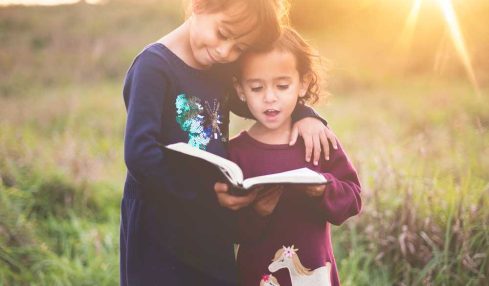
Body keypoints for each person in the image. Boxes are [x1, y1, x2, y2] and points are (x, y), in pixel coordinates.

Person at [120, 0, 338, 285]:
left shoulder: (219, 68)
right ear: (199, 5)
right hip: (160, 222)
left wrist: (305, 114)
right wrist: (206, 194)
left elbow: (260, 106)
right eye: (223, 34)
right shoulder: (153, 67)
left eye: (239, 48)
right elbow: (140, 154)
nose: (226, 52)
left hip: (211, 219)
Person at [227, 27, 362, 286]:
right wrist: (258, 212)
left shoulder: (317, 139)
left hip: (314, 275)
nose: (269, 97)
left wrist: (323, 189)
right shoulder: (236, 153)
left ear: (303, 83)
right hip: (257, 275)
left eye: (282, 85)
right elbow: (229, 230)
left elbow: (353, 198)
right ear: (240, 89)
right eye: (256, 87)